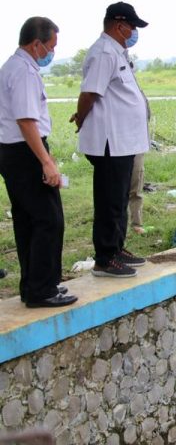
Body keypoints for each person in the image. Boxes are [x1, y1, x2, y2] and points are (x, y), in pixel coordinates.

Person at [0, 17, 77, 307]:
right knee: (48, 220)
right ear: (36, 44)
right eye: (51, 46)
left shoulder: (13, 66)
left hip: (15, 151)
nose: (52, 52)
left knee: (28, 220)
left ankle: (32, 286)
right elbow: (26, 121)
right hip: (24, 151)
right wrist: (46, 161)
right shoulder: (24, 73)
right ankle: (43, 288)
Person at [71, 2, 150, 278]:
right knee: (109, 200)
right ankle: (105, 257)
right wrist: (81, 117)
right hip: (110, 142)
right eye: (132, 27)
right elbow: (90, 93)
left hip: (124, 141)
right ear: (119, 26)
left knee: (119, 198)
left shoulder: (118, 52)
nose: (134, 32)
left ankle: (116, 248)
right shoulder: (105, 52)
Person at [128, 90, 150, 234]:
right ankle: (117, 226)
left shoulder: (139, 94)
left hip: (137, 144)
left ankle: (136, 223)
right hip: (116, 146)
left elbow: (146, 117)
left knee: (136, 185)